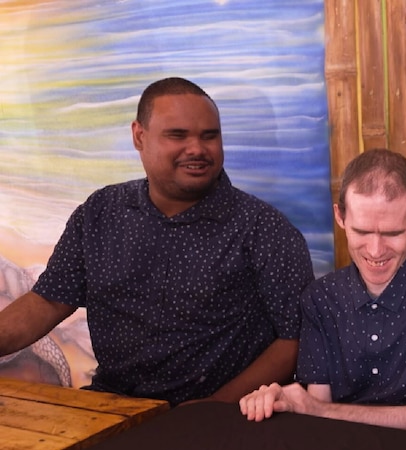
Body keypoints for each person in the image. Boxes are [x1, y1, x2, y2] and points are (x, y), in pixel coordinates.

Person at [0, 77, 314, 406]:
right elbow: (48, 301)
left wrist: (213, 408)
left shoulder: (264, 228)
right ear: (139, 136)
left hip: (225, 417)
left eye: (210, 136)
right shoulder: (100, 212)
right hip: (112, 407)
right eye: (177, 135)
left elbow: (295, 340)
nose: (197, 148)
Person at [240, 148, 406, 433]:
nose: (375, 251)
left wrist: (321, 410)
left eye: (392, 233)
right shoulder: (319, 298)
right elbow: (316, 411)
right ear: (340, 217)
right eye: (361, 232)